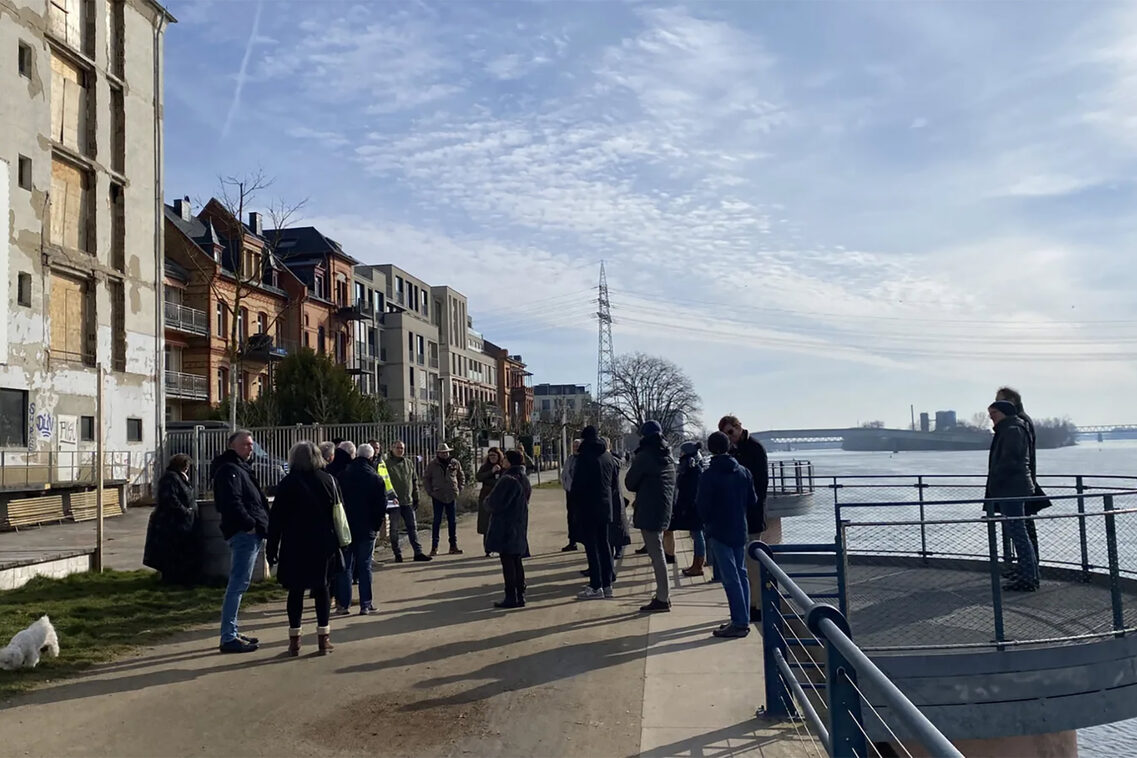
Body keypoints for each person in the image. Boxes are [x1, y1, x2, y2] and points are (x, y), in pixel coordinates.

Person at [266, 441, 343, 656]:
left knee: (296, 592)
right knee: (322, 589)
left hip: (294, 544)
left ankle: (294, 640)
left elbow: (276, 520)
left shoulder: (287, 484)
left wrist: (271, 548)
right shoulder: (329, 481)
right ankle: (323, 638)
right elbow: (339, 514)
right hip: (323, 544)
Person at [212, 430, 270, 654]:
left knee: (240, 584)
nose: (250, 448)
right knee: (237, 584)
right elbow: (231, 502)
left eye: (251, 445)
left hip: (250, 532)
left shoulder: (240, 468)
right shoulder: (229, 470)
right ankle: (228, 636)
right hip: (244, 533)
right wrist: (250, 524)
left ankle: (232, 632)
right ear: (232, 446)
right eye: (245, 444)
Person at [697, 431, 758, 638]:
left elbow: (702, 506)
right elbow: (753, 501)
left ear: (710, 449)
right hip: (739, 528)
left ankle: (739, 622)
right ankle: (742, 618)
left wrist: (708, 523)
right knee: (741, 574)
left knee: (730, 577)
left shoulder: (709, 475)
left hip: (719, 529)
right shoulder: (743, 472)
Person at [719, 415, 769, 623]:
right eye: (725, 435)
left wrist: (750, 504)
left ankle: (757, 605)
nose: (729, 437)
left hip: (752, 514)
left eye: (731, 432)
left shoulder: (754, 448)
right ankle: (749, 605)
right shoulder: (734, 450)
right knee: (743, 564)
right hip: (738, 516)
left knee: (752, 562)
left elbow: (761, 484)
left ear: (739, 428)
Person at [987, 400, 1040, 591]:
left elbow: (1010, 460)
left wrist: (997, 480)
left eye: (993, 413)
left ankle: (1028, 578)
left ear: (1003, 413)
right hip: (1013, 487)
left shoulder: (1012, 430)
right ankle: (1029, 575)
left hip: (1012, 489)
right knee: (1019, 532)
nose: (990, 417)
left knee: (1018, 533)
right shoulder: (1011, 428)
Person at [626, 420, 677, 613]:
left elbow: (630, 483)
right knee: (658, 552)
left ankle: (663, 597)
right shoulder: (668, 455)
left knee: (656, 554)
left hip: (649, 508)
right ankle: (664, 595)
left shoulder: (645, 456)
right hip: (664, 508)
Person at [334, 443, 386, 616]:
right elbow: (381, 505)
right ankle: (365, 604)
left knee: (346, 566)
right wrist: (376, 525)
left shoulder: (343, 475)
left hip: (347, 527)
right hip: (367, 528)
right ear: (371, 457)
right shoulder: (375, 477)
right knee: (364, 566)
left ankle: (344, 605)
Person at [996, 386, 1047, 560]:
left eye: (1000, 400)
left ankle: (1029, 571)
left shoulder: (1017, 423)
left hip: (1016, 485)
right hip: (1021, 482)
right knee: (1019, 529)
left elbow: (1015, 457)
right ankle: (1025, 568)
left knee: (1021, 530)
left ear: (1012, 402)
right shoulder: (1018, 422)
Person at [571, 426, 619, 599]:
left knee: (592, 547)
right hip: (605, 505)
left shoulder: (585, 457)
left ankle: (595, 585)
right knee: (604, 544)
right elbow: (614, 483)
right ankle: (608, 584)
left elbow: (577, 485)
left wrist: (575, 505)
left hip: (588, 506)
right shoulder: (607, 456)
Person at [143, 453, 201, 585]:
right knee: (172, 552)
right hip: (171, 523)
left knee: (180, 552)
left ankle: (180, 578)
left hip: (180, 522)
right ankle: (171, 579)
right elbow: (170, 499)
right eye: (186, 466)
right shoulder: (170, 478)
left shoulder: (178, 477)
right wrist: (185, 511)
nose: (187, 469)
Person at [485, 449, 532, 609]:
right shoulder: (524, 478)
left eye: (505, 458)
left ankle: (511, 595)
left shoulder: (508, 480)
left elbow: (494, 503)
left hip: (505, 525)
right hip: (519, 523)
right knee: (516, 560)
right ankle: (520, 594)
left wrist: (487, 502)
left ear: (509, 461)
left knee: (508, 561)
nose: (502, 460)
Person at [386, 441, 431, 562]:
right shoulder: (386, 464)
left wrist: (416, 497)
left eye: (402, 448)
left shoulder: (409, 463)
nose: (400, 450)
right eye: (398, 448)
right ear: (392, 448)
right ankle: (397, 553)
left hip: (408, 501)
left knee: (412, 527)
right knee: (394, 529)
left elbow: (414, 480)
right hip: (393, 502)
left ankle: (418, 552)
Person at [672, 442, 708, 577]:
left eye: (682, 452)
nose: (680, 454)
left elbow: (690, 489)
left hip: (694, 506)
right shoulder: (692, 466)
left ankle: (698, 565)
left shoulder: (692, 468)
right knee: (697, 534)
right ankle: (696, 563)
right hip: (693, 505)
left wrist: (685, 505)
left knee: (698, 535)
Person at [424, 444, 465, 556]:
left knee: (452, 521)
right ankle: (434, 546)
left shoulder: (454, 463)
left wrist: (459, 489)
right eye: (442, 452)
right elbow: (426, 478)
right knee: (437, 521)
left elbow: (461, 476)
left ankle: (453, 546)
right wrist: (430, 492)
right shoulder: (432, 465)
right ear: (438, 453)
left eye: (446, 452)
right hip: (438, 496)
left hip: (451, 495)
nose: (444, 454)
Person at [476, 448, 506, 556]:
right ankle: (487, 549)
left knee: (499, 525)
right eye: (490, 456)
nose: (492, 458)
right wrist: (491, 472)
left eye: (494, 455)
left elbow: (502, 481)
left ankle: (499, 548)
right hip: (485, 498)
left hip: (499, 499)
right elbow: (479, 477)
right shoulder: (485, 467)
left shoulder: (503, 467)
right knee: (486, 525)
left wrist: (488, 481)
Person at [561, 439, 582, 552]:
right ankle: (572, 541)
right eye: (574, 445)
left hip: (581, 494)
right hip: (570, 492)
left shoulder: (584, 458)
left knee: (582, 518)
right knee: (571, 517)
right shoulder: (570, 458)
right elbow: (564, 473)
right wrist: (566, 486)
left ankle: (586, 541)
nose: (575, 447)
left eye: (577, 445)